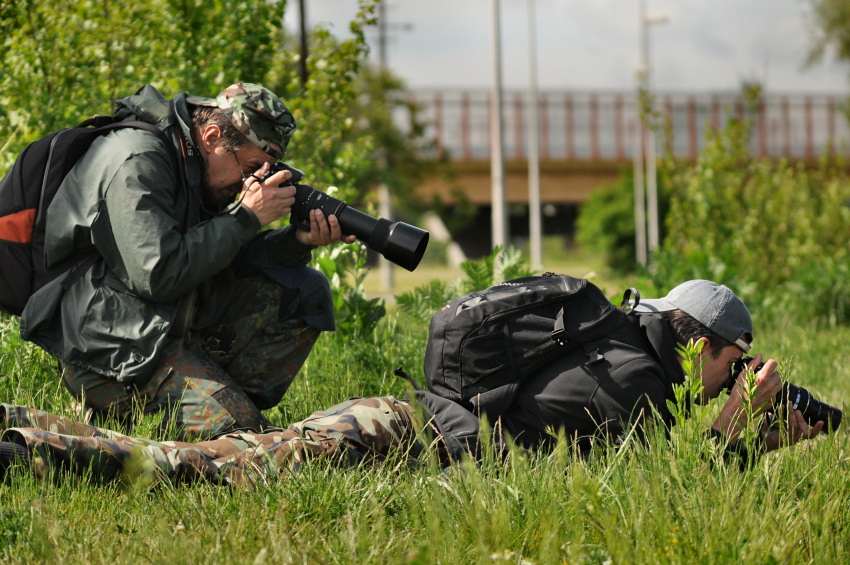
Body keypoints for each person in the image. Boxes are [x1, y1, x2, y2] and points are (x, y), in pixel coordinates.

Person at [0, 280, 825, 486]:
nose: (729, 385)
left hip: (403, 418)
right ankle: (28, 445)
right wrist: (731, 446)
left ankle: (25, 421)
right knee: (207, 469)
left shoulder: (616, 335)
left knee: (221, 453)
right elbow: (649, 489)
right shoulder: (640, 382)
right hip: (399, 438)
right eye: (731, 366)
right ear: (707, 346)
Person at [18, 82, 356, 440]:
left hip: (161, 325)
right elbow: (159, 274)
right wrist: (246, 217)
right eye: (252, 166)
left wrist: (295, 241)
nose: (252, 180)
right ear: (211, 136)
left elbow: (219, 254)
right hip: (111, 347)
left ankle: (219, 403)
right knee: (250, 448)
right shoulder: (139, 160)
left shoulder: (193, 161)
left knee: (305, 290)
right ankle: (125, 414)